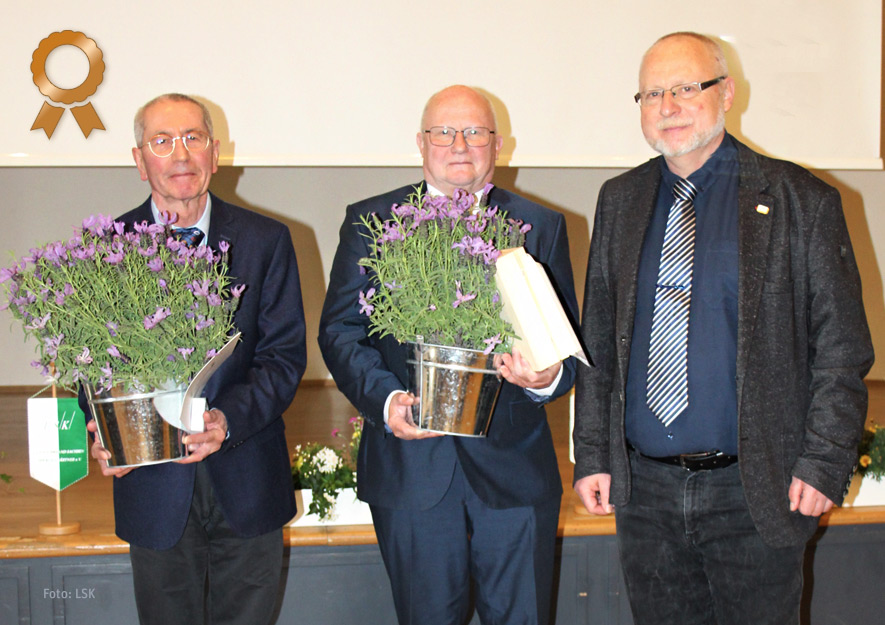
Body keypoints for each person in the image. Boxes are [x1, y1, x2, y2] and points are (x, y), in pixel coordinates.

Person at [572, 32, 874, 625]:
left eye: (686, 88)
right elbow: (599, 343)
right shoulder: (620, 200)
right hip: (646, 494)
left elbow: (842, 351)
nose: (668, 107)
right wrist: (592, 455)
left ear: (727, 93)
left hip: (755, 491)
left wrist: (823, 462)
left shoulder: (801, 200)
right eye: (652, 94)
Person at [318, 85, 579, 625]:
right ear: (421, 143)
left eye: (475, 132)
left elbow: (567, 345)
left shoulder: (540, 226)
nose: (460, 144)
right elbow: (340, 331)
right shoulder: (373, 222)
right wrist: (386, 401)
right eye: (444, 132)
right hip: (411, 471)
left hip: (515, 475)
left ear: (498, 144)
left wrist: (548, 376)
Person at [83, 93, 307, 625]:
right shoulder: (104, 248)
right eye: (162, 141)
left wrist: (226, 420)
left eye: (193, 138)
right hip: (153, 489)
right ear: (140, 161)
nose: (180, 154)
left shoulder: (266, 241)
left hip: (248, 479)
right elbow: (88, 362)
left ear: (215, 152)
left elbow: (283, 359)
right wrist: (101, 427)